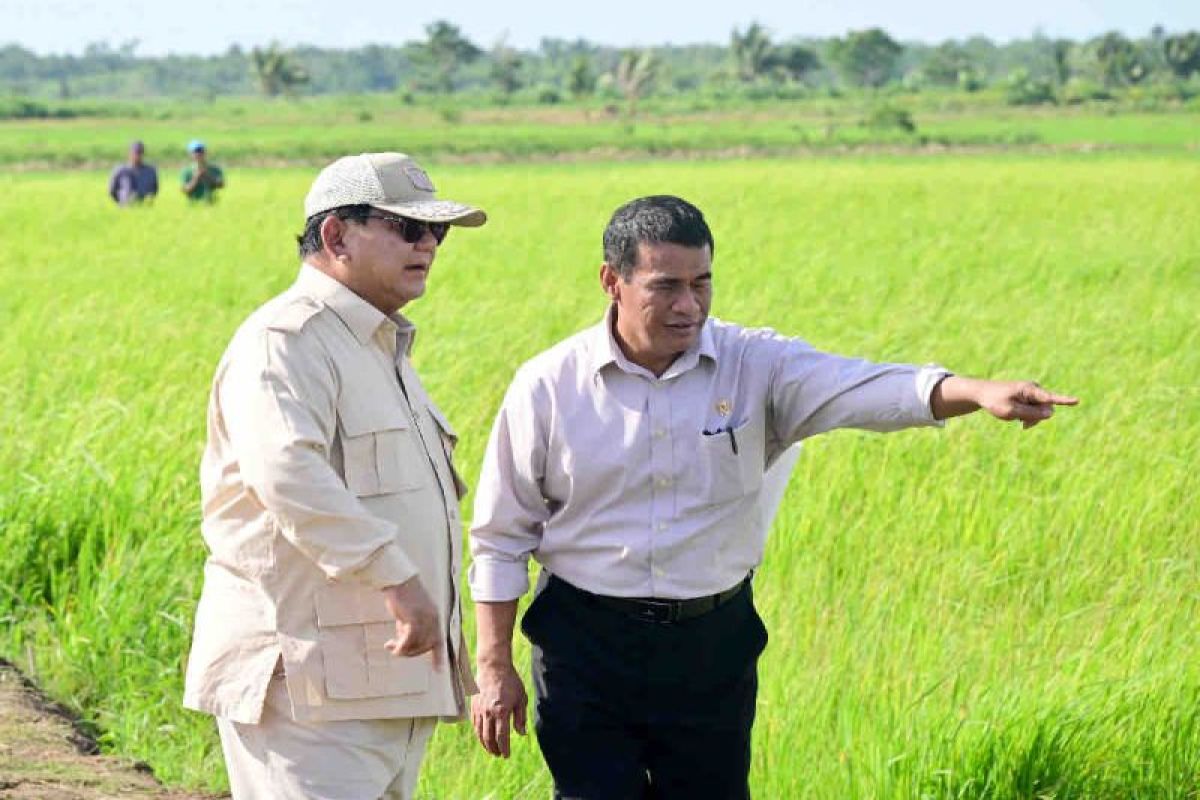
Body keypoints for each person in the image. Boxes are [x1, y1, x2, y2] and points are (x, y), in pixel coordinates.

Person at [467, 195, 1078, 799]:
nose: (689, 305)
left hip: (710, 645)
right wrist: (494, 669)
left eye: (702, 282)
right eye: (666, 286)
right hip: (585, 644)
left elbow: (860, 386)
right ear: (612, 281)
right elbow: (500, 536)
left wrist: (974, 392)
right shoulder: (548, 386)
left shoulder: (756, 364)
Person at [183, 152, 486, 799]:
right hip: (306, 683)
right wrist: (399, 579)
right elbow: (287, 473)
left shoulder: (379, 347)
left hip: (383, 680)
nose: (428, 244)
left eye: (438, 232)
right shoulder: (286, 341)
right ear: (336, 235)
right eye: (407, 228)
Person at [108, 140, 158, 206]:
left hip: (144, 207)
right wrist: (122, 201)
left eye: (140, 153)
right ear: (129, 153)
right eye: (135, 152)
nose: (137, 156)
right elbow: (112, 191)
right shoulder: (120, 170)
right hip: (125, 206)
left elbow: (154, 189)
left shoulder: (150, 171)